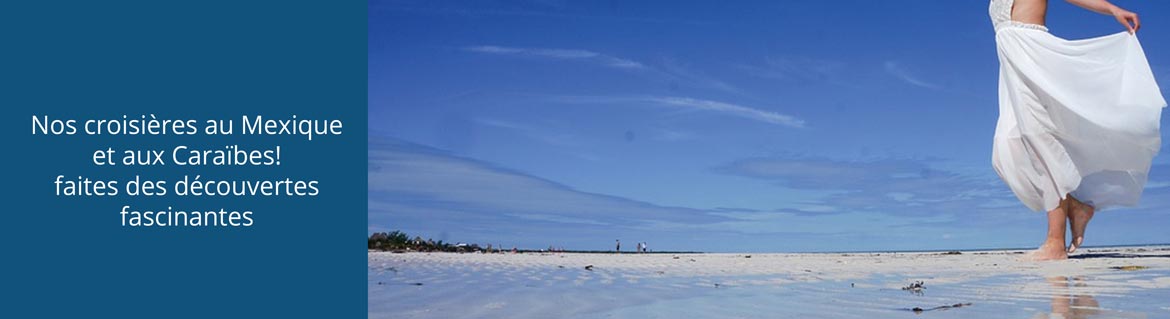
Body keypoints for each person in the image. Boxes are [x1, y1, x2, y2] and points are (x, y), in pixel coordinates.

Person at [989, 0, 1166, 261]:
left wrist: (1112, 10)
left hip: (1032, 53)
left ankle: (1055, 242)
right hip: (1011, 60)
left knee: (1040, 140)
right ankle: (1076, 204)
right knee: (1007, 147)